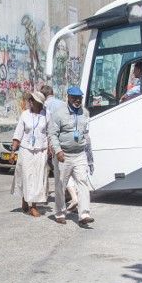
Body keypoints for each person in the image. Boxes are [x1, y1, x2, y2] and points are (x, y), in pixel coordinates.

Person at [48, 86, 94, 225]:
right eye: (74, 98)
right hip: (64, 154)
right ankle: (60, 213)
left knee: (83, 182)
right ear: (68, 97)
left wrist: (89, 154)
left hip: (79, 153)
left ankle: (84, 214)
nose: (77, 101)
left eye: (79, 98)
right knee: (61, 184)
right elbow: (52, 134)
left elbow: (86, 134)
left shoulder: (84, 113)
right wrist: (58, 151)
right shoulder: (58, 113)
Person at [11, 91, 50, 217]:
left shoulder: (46, 115)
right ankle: (26, 199)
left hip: (41, 150)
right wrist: (13, 151)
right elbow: (18, 134)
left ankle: (34, 205)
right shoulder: (24, 115)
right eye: (30, 100)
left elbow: (50, 133)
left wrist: (51, 148)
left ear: (39, 103)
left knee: (38, 178)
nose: (30, 102)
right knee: (26, 176)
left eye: (33, 100)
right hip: (26, 150)